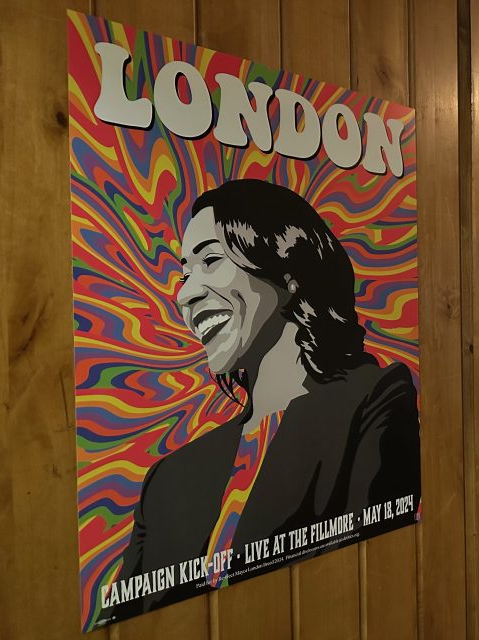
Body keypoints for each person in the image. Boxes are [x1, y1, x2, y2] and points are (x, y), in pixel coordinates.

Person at [109, 179, 421, 618]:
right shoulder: (167, 481)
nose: (184, 293)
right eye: (184, 272)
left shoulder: (373, 399)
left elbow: (368, 582)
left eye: (210, 261)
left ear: (287, 272)